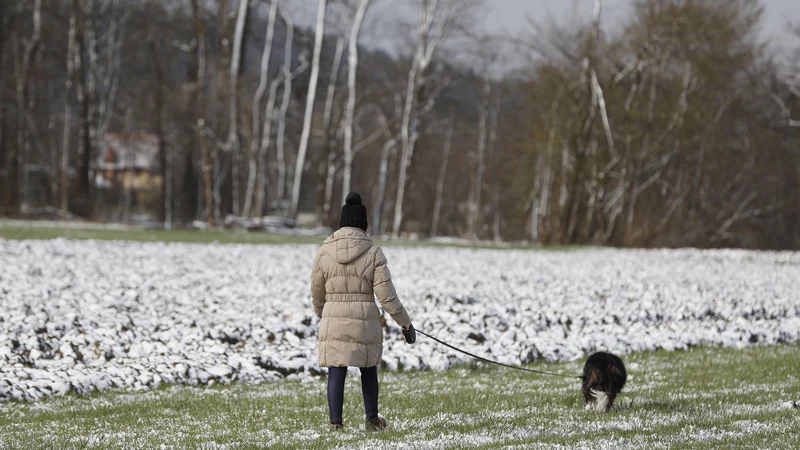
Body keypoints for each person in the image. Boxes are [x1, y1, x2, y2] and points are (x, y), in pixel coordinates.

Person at [311, 192, 416, 431]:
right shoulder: (373, 253)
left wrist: (323, 314)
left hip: (333, 320)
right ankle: (372, 420)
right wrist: (405, 324)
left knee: (336, 369)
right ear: (364, 224)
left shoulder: (324, 252)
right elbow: (387, 297)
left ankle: (335, 424)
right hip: (364, 322)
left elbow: (317, 292)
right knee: (368, 368)